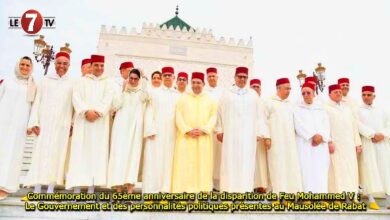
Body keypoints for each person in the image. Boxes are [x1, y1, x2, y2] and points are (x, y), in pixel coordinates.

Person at [66, 54, 117, 194]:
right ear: (91, 66)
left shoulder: (108, 82)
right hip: (83, 122)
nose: (99, 68)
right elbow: (76, 97)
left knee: (96, 154)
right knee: (79, 153)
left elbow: (108, 99)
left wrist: (99, 112)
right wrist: (85, 111)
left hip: (100, 123)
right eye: (96, 65)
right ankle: (76, 188)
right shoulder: (80, 81)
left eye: (101, 66)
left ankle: (91, 189)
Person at [24, 52, 74, 194]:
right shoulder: (45, 80)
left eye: (65, 63)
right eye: (59, 63)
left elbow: (74, 105)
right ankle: (38, 186)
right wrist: (34, 122)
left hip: (61, 125)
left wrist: (72, 124)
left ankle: (51, 187)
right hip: (44, 124)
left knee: (57, 155)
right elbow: (37, 102)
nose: (61, 66)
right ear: (54, 64)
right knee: (40, 154)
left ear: (69, 65)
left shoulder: (72, 83)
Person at [216, 67, 264, 193]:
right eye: (240, 76)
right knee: (229, 163)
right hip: (231, 136)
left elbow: (259, 115)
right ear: (235, 77)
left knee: (246, 163)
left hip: (248, 136)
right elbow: (219, 113)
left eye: (245, 77)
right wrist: (220, 130)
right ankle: (228, 192)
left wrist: (259, 132)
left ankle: (244, 192)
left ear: (247, 79)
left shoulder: (253, 95)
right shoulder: (227, 94)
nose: (242, 79)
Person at [171, 72, 217, 193]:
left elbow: (214, 117)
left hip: (203, 138)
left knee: (202, 165)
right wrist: (187, 130)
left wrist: (204, 130)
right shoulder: (183, 98)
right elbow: (178, 116)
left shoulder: (210, 100)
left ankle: (202, 190)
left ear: (203, 84)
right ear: (191, 83)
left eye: (199, 83)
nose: (196, 85)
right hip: (186, 138)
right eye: (194, 82)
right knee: (185, 164)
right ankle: (183, 191)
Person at [107, 69, 149, 193]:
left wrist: (144, 77)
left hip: (135, 129)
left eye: (136, 79)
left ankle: (130, 190)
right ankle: (118, 189)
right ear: (128, 78)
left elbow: (146, 94)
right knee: (119, 155)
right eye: (131, 78)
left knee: (133, 157)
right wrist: (123, 90)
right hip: (120, 128)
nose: (133, 81)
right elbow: (115, 105)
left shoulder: (142, 93)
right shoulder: (121, 91)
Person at [0, 56, 36, 200]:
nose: (25, 68)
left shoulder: (33, 85)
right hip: (3, 122)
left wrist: (31, 124)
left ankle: (5, 186)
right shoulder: (7, 82)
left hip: (19, 126)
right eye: (22, 64)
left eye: (28, 65)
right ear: (18, 65)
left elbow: (34, 106)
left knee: (13, 156)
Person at [262, 78, 302, 204]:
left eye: (290, 88)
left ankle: (290, 196)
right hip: (275, 142)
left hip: (289, 142)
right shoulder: (269, 102)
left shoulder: (291, 104)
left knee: (290, 167)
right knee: (277, 167)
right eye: (286, 88)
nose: (289, 91)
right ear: (278, 88)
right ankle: (278, 196)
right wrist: (267, 137)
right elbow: (262, 120)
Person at [142, 66, 180, 193]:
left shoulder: (178, 96)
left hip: (172, 135)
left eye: (170, 75)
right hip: (156, 134)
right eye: (165, 75)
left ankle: (165, 191)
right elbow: (149, 111)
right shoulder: (154, 93)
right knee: (153, 161)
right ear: (162, 77)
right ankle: (151, 192)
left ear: (174, 78)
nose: (168, 77)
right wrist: (150, 129)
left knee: (168, 163)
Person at [325, 84, 361, 203]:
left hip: (349, 145)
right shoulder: (326, 108)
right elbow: (324, 127)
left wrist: (358, 143)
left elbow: (354, 127)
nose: (339, 94)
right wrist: (329, 141)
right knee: (336, 171)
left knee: (351, 170)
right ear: (330, 94)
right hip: (335, 145)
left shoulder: (347, 109)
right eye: (335, 92)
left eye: (340, 92)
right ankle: (337, 197)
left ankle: (352, 196)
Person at [293, 83, 331, 196]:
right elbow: (298, 125)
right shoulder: (297, 109)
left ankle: (322, 196)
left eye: (308, 92)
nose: (306, 95)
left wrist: (321, 136)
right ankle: (307, 196)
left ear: (314, 93)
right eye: (303, 93)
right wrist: (312, 136)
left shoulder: (321, 109)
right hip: (305, 144)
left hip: (321, 145)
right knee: (306, 170)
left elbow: (326, 125)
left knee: (321, 170)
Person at [358, 85, 390, 209]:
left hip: (383, 144)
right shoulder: (358, 110)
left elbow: (389, 124)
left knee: (385, 170)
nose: (366, 97)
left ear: (374, 96)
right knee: (369, 170)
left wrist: (383, 135)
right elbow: (357, 124)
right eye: (364, 95)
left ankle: (388, 199)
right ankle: (371, 199)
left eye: (369, 95)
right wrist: (371, 134)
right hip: (368, 143)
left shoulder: (382, 110)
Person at [205, 67, 224, 191]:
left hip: (219, 130)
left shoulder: (223, 92)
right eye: (209, 76)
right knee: (207, 156)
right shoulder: (204, 92)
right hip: (206, 129)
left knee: (219, 157)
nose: (212, 78)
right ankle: (207, 183)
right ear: (207, 78)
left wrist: (221, 128)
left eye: (213, 76)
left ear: (217, 77)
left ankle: (218, 183)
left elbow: (223, 112)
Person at [250, 78, 269, 194]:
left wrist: (264, 135)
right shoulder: (246, 101)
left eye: (257, 87)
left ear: (260, 89)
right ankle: (250, 185)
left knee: (261, 161)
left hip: (261, 136)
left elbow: (265, 120)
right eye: (253, 87)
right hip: (248, 136)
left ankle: (261, 185)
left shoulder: (264, 102)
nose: (255, 89)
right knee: (249, 161)